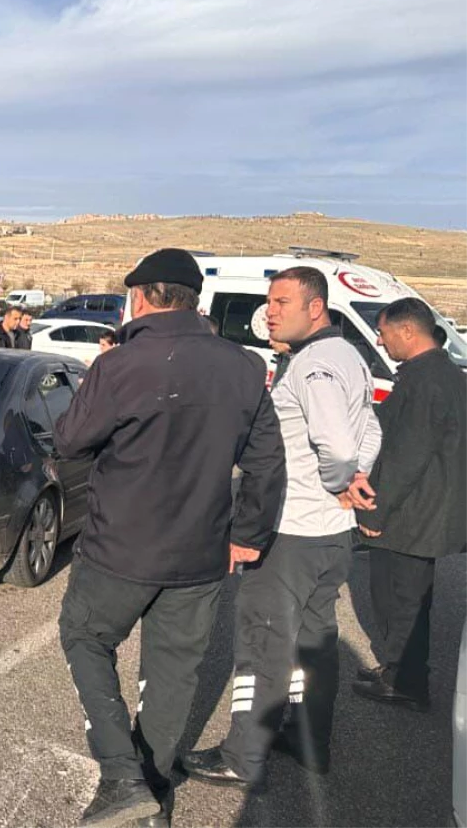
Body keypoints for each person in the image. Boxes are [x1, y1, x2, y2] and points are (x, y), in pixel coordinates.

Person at [55, 248, 286, 827]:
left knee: (84, 636)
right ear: (195, 300)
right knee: (173, 675)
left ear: (143, 296)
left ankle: (120, 775)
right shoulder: (242, 366)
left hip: (120, 548)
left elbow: (71, 441)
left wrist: (97, 375)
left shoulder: (122, 364)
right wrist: (249, 535)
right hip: (200, 553)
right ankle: (152, 799)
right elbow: (267, 462)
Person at [183, 266, 381, 788]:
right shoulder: (349, 359)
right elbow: (372, 429)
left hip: (292, 529)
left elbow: (336, 445)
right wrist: (353, 478)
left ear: (315, 307)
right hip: (331, 533)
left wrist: (341, 476)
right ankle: (311, 741)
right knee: (314, 640)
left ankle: (243, 757)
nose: (269, 311)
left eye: (281, 302)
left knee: (263, 643)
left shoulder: (314, 367)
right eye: (269, 301)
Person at [354, 298, 467, 711]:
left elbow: (406, 456)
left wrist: (374, 512)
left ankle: (406, 682)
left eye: (383, 334)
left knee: (399, 601)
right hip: (428, 511)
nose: (381, 343)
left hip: (411, 515)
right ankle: (397, 669)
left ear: (407, 331)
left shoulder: (424, 382)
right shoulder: (443, 372)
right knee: (409, 599)